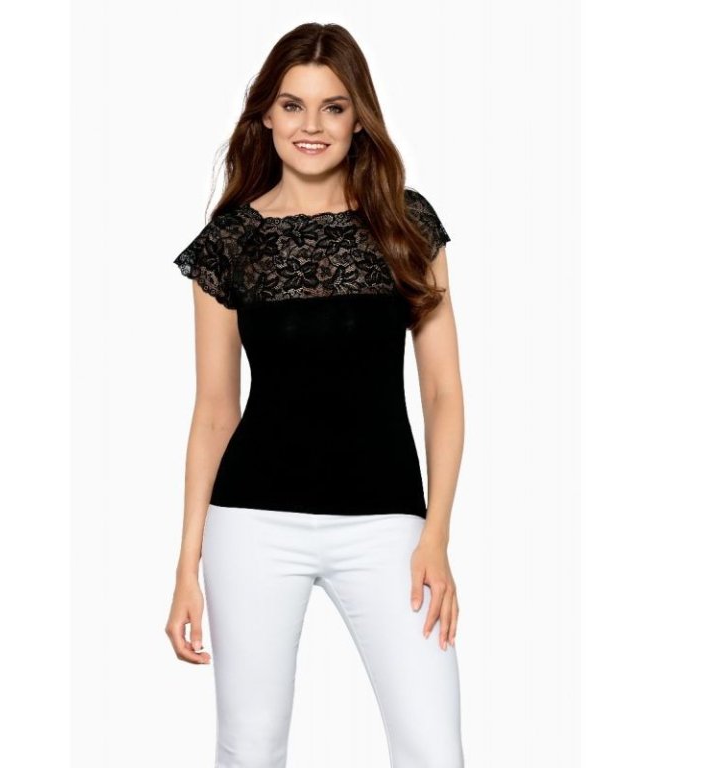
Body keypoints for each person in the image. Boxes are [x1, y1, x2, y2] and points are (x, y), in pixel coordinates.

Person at [165, 22, 466, 768]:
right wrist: (186, 565)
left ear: (358, 117)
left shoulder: (406, 225)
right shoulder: (230, 242)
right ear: (266, 115)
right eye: (293, 105)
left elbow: (442, 392)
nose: (312, 125)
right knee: (250, 749)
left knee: (434, 750)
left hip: (389, 527)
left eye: (333, 107)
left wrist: (435, 535)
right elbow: (214, 411)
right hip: (252, 524)